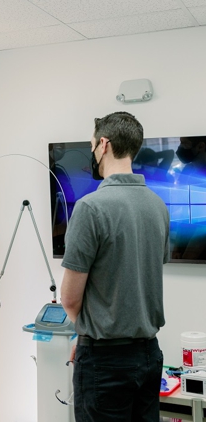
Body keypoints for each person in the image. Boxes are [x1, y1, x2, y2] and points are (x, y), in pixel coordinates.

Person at [60, 112, 170, 422]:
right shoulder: (158, 206)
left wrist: (86, 336)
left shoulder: (91, 207)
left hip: (104, 362)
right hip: (149, 355)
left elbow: (70, 299)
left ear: (103, 144)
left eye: (92, 144)